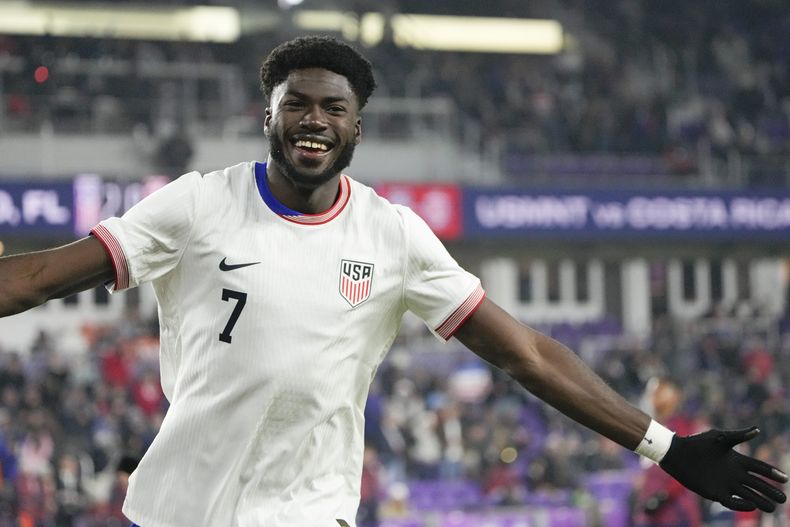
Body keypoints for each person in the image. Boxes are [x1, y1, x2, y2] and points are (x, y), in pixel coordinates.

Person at [0, 35, 786, 527]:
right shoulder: (200, 203)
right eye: (296, 104)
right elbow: (37, 277)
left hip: (310, 511)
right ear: (267, 118)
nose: (314, 118)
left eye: (332, 108)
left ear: (356, 126)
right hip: (178, 509)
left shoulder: (393, 236)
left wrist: (664, 446)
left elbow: (525, 354)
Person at [634, 377, 703, 527]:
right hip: (652, 511)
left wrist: (662, 496)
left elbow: (685, 470)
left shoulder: (682, 427)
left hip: (676, 510)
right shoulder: (652, 427)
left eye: (657, 392)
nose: (652, 397)